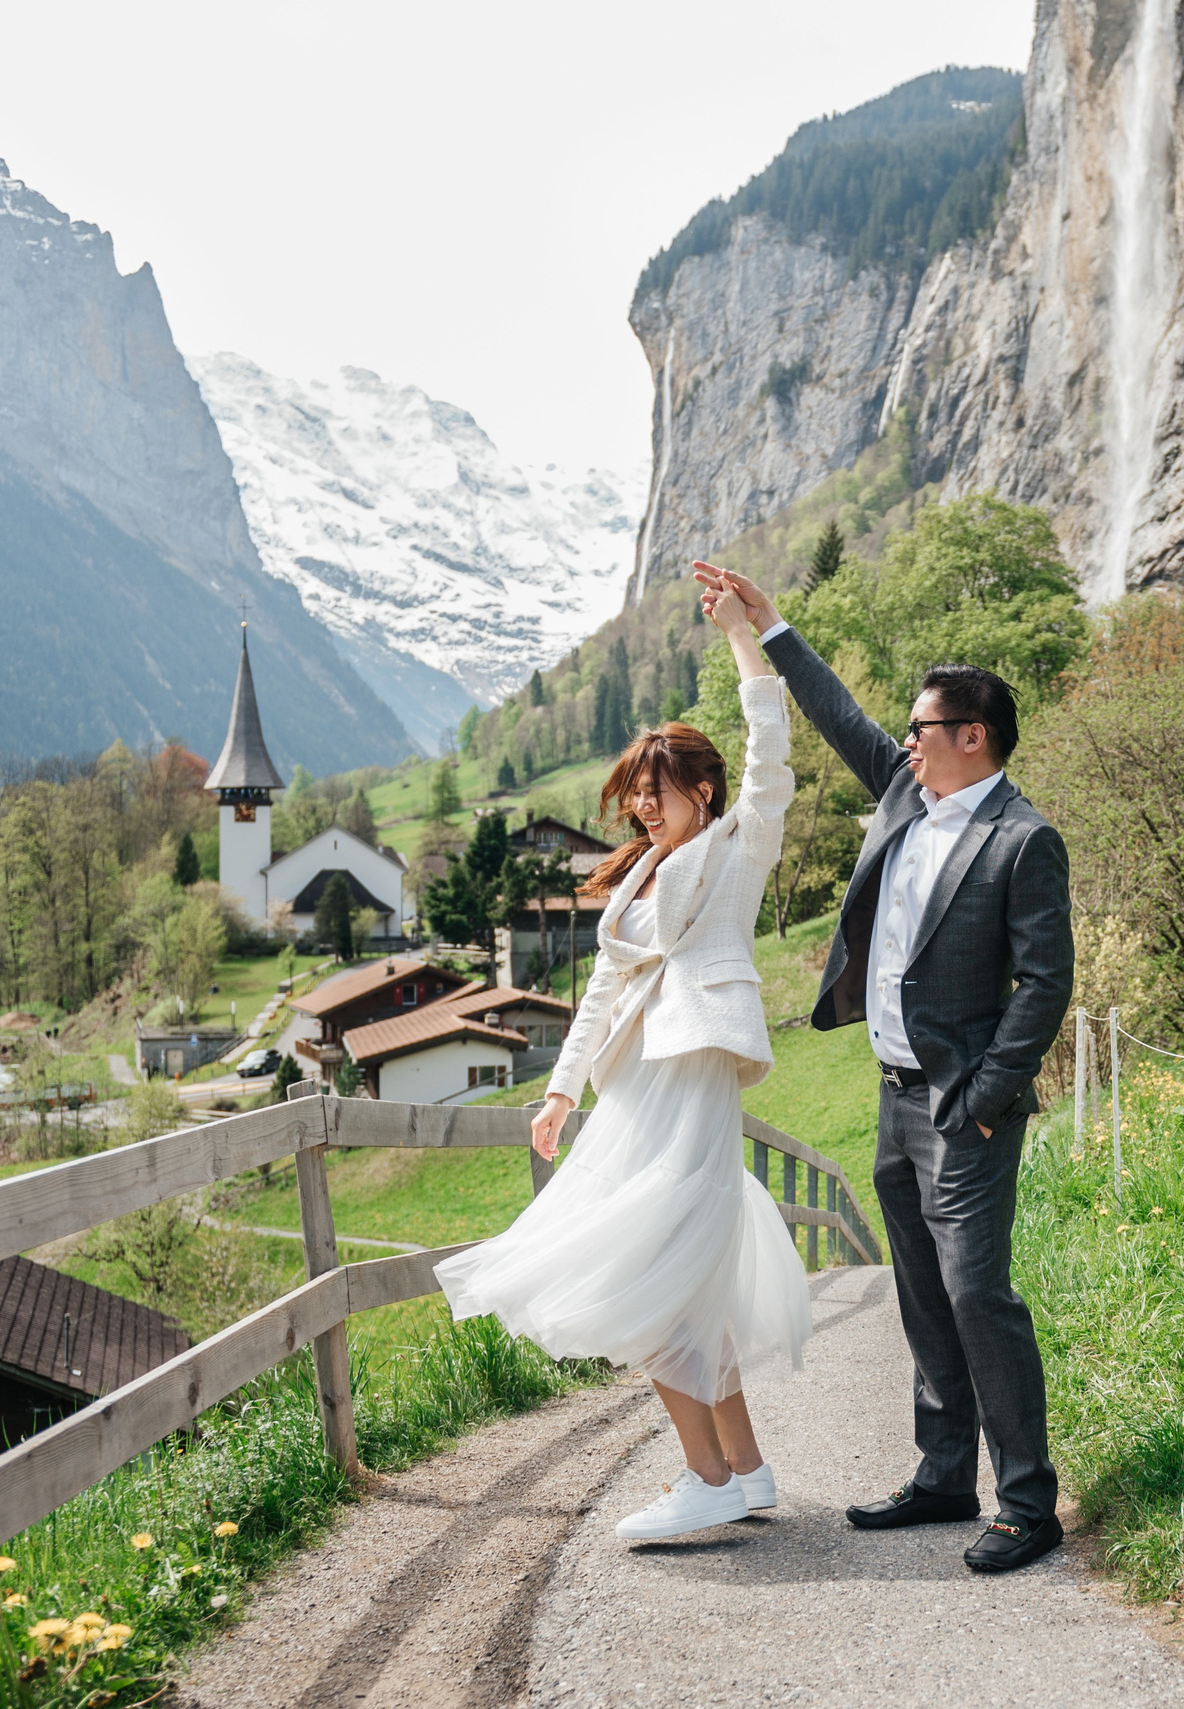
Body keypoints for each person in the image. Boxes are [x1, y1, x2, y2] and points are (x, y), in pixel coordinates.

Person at [692, 561, 1074, 1575]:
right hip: (894, 1097)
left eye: (923, 726)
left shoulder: (1023, 839)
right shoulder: (907, 792)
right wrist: (769, 627)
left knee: (977, 1292)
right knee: (921, 1292)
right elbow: (839, 717)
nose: (904, 739)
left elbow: (1044, 985)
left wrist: (988, 1099)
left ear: (972, 737)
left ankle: (1027, 1501)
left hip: (966, 1108)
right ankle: (945, 1475)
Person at [435, 580, 809, 1543]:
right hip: (633, 1086)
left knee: (644, 1267)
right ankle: (748, 1473)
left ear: (705, 792)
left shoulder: (737, 844)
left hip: (692, 1072)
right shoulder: (635, 874)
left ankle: (704, 1479)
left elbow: (773, 758)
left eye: (658, 791)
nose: (644, 809)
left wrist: (743, 640)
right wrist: (560, 1091)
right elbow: (603, 992)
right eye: (635, 796)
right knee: (679, 1274)